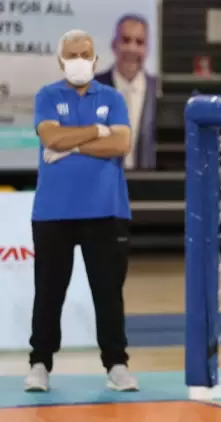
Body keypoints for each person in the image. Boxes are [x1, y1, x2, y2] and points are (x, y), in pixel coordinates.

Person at [25, 29, 137, 392]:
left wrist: (71, 145)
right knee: (48, 292)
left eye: (84, 54)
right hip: (53, 212)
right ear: (61, 62)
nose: (79, 61)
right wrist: (97, 131)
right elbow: (51, 138)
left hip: (106, 211)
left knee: (108, 293)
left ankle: (116, 364)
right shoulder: (47, 95)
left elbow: (121, 143)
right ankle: (39, 363)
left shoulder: (113, 97)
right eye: (71, 55)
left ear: (95, 59)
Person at [95, 14, 158, 169]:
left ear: (147, 49)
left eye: (139, 42)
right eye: (126, 40)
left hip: (151, 182)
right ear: (113, 45)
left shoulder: (159, 91)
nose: (132, 48)